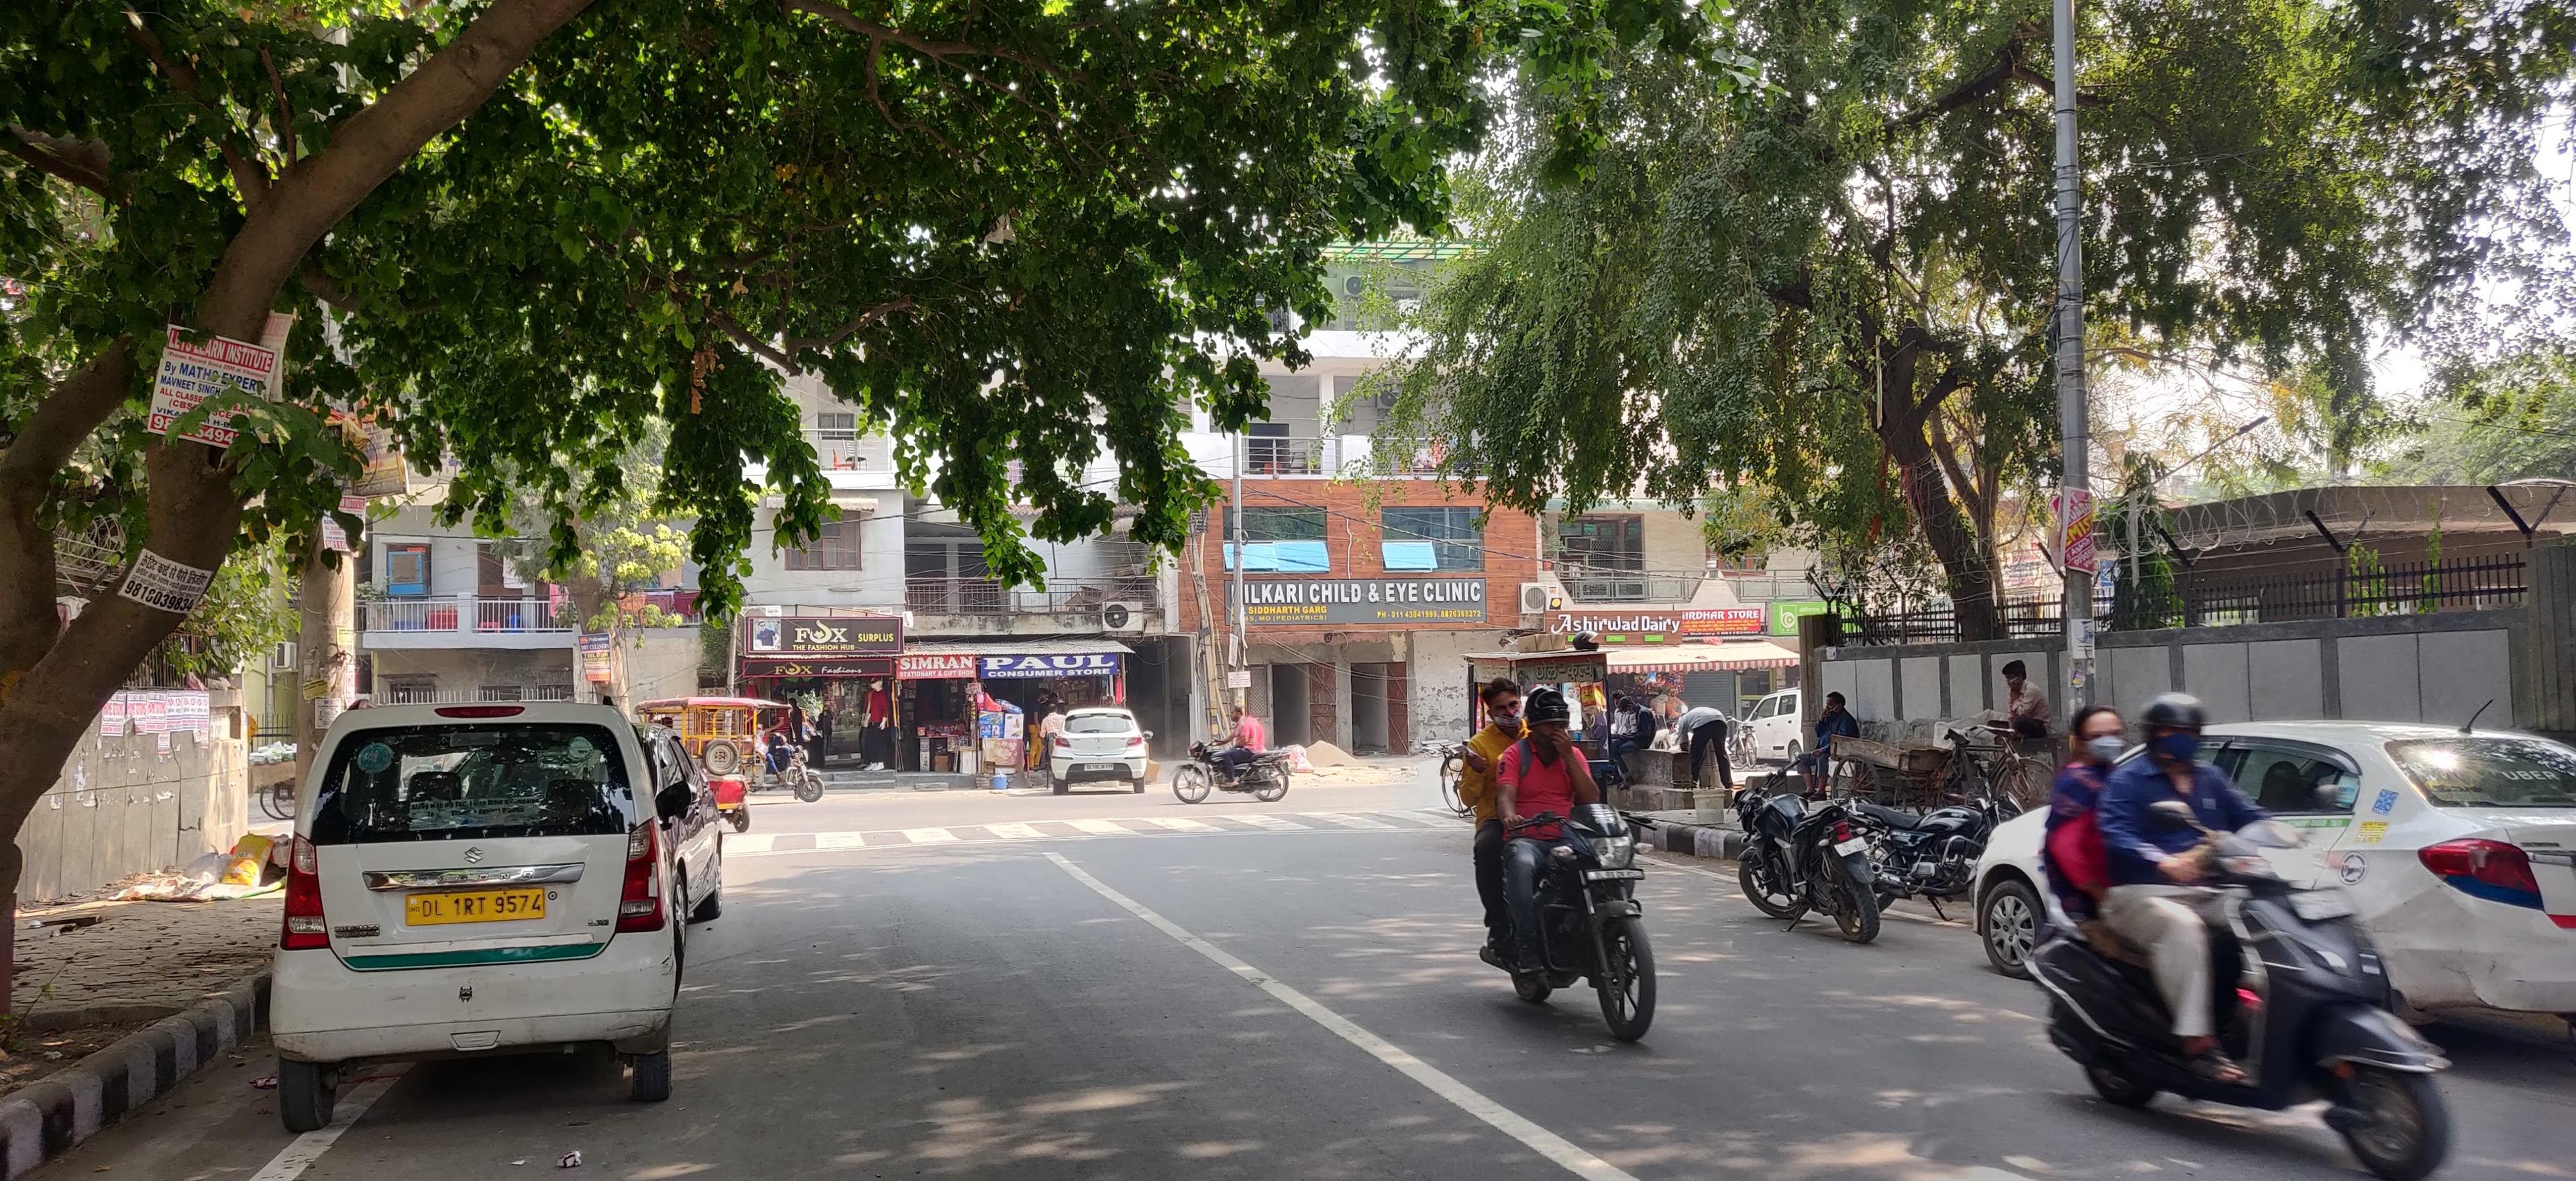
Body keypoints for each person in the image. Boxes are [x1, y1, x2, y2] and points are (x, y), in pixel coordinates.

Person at [2094, 692, 2267, 1084]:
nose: (2182, 738)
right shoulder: (2128, 779)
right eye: (2173, 731)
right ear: (2155, 735)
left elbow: (2250, 818)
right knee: (2182, 927)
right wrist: (2163, 860)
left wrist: (2292, 838)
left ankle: (2259, 1021)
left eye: (2190, 731)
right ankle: (2198, 1043)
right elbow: (2114, 831)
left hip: (2205, 890)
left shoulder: (2211, 778)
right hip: (2137, 894)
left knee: (2265, 914)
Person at [1495, 687, 1603, 973]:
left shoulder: (1574, 755)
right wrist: (1509, 817)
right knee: (1521, 863)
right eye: (1550, 725)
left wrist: (1568, 755)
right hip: (1528, 837)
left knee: (1607, 863)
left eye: (1562, 725)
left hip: (1566, 834)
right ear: (1533, 725)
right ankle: (1527, 944)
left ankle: (1601, 925)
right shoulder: (1514, 755)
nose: (1558, 731)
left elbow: (1591, 799)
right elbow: (1505, 794)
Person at [1455, 678, 1525, 961]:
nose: (1509, 712)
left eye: (1513, 705)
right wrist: (1477, 771)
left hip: (1538, 815)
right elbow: (1467, 800)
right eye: (1501, 708)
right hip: (1496, 818)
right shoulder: (1479, 745)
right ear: (1489, 712)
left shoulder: (1536, 734)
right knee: (1486, 848)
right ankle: (1497, 926)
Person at [2041, 705, 2125, 931]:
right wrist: (2100, 894)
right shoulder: (2076, 782)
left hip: (2128, 890)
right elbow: (2065, 848)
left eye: (2115, 735)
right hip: (2092, 903)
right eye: (2097, 737)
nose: (2109, 742)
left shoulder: (2118, 776)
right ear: (2080, 742)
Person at [1792, 691, 1861, 794]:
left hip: (1836, 753)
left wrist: (1823, 750)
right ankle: (1810, 789)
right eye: (1827, 704)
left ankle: (1821, 791)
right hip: (1822, 749)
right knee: (1801, 758)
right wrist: (1821, 720)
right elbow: (1819, 733)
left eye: (1830, 704)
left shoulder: (1846, 720)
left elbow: (1842, 742)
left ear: (1839, 706)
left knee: (1822, 757)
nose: (1827, 707)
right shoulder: (1829, 718)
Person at [1672, 704, 1735, 790]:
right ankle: (1728, 783)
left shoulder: (1682, 721)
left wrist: (1689, 753)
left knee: (1696, 755)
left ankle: (1693, 782)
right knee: (1721, 753)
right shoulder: (1695, 713)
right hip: (1721, 721)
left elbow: (1684, 744)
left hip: (1703, 724)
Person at [1603, 692, 1656, 776]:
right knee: (1611, 745)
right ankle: (1618, 775)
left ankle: (1625, 775)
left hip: (1642, 742)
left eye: (1625, 710)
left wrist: (1625, 737)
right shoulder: (1636, 711)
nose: (1626, 713)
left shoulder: (1644, 713)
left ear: (1630, 706)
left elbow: (1645, 734)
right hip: (1634, 738)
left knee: (1616, 750)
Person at [1214, 705, 1267, 778]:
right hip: (1256, 748)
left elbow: (1244, 740)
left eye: (1232, 713)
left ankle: (1232, 780)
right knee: (1230, 752)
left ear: (1238, 714)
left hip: (1250, 750)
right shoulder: (1244, 722)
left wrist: (1237, 744)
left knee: (1227, 755)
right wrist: (1215, 743)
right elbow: (1230, 737)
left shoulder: (1244, 724)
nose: (1230, 715)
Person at [2002, 660, 2050, 739]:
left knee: (2020, 721)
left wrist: (2014, 696)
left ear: (2020, 678)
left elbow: (2023, 713)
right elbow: (2011, 714)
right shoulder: (2011, 691)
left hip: (2039, 726)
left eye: (2010, 678)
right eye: (2007, 678)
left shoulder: (2031, 690)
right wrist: (2012, 731)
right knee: (1994, 724)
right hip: (2022, 725)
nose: (2008, 682)